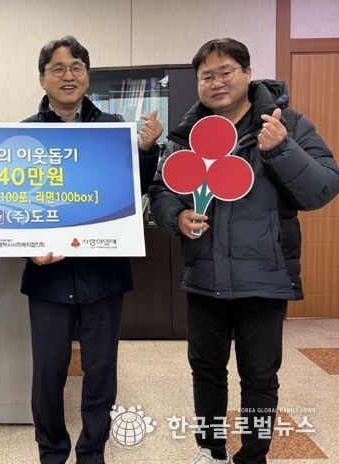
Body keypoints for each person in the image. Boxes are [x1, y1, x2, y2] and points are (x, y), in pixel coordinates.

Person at [149, 38, 339, 464]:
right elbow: (162, 190)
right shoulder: (186, 134)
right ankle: (210, 449)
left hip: (264, 279)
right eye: (207, 76)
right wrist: (177, 217)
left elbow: (322, 189)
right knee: (206, 372)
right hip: (205, 277)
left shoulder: (286, 124)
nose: (216, 82)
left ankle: (253, 456)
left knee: (259, 378)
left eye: (226, 72)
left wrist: (281, 149)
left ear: (248, 74)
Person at [21, 36, 163, 464]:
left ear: (87, 76)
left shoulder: (113, 128)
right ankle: (51, 452)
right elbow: (14, 203)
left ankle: (92, 453)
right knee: (48, 374)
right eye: (58, 68)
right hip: (47, 276)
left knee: (100, 372)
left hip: (104, 274)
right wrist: (28, 248)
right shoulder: (23, 133)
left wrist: (145, 150)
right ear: (42, 78)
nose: (68, 76)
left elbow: (134, 190)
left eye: (77, 67)